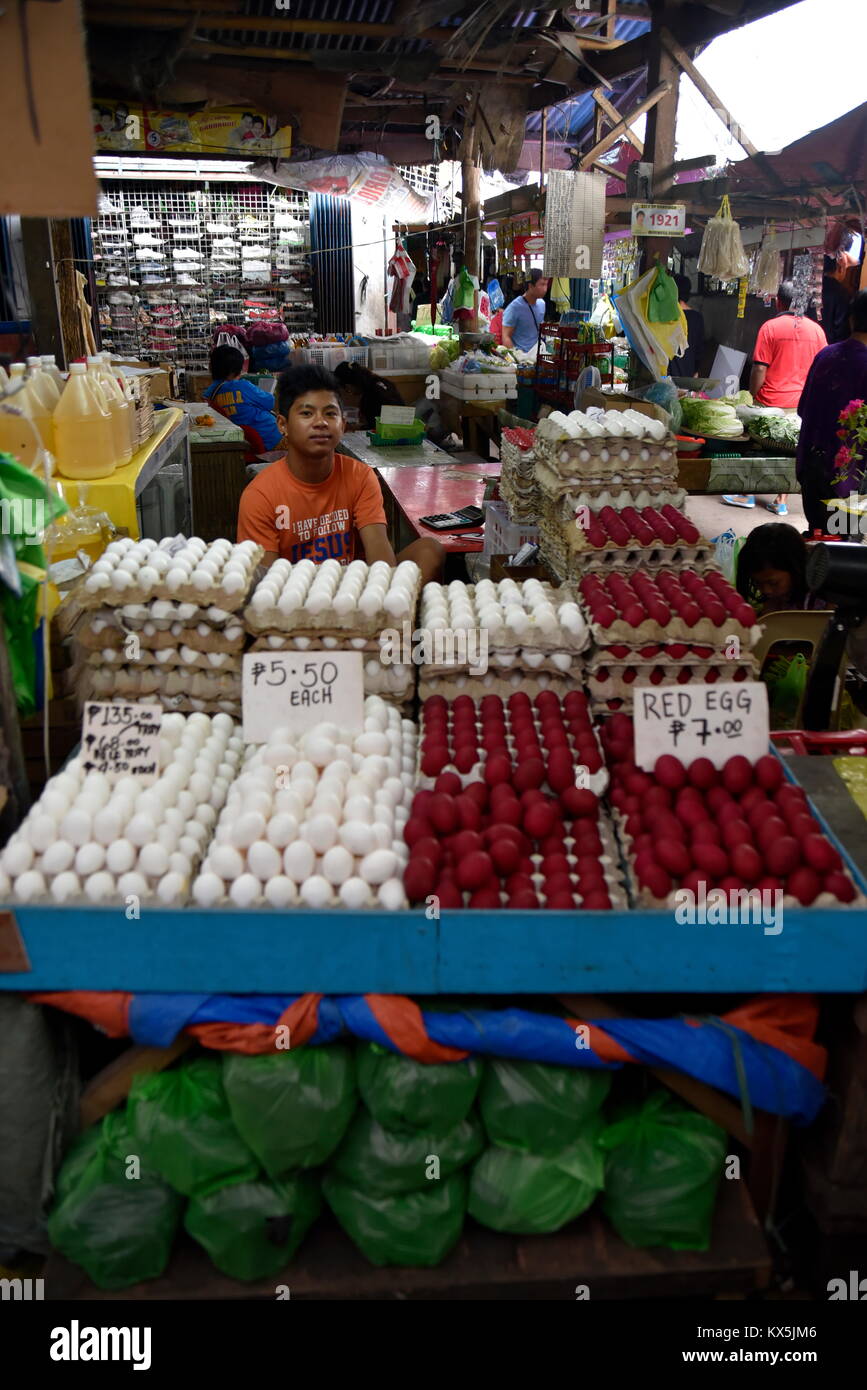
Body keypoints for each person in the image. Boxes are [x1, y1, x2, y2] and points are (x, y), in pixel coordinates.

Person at [237, 363, 444, 580]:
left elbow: (380, 558)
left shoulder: (359, 476)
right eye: (307, 413)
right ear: (283, 425)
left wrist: (379, 592)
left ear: (343, 425)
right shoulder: (260, 495)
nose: (321, 423)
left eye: (330, 413)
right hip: (295, 600)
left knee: (429, 551)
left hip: (355, 590)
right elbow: (267, 585)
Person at [724, 281, 827, 516]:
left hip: (770, 400)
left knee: (756, 447)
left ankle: (747, 493)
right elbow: (821, 369)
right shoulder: (817, 331)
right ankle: (780, 500)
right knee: (791, 450)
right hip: (800, 405)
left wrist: (752, 394)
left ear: (779, 301)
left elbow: (759, 369)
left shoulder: (770, 327)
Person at [796, 289, 867, 534]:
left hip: (812, 472)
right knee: (844, 552)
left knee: (819, 539)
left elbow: (803, 409)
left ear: (851, 319)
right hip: (848, 486)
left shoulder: (825, 355)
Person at [735, 522, 829, 615]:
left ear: (795, 569)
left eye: (773, 583)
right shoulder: (776, 598)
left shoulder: (824, 596)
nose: (765, 590)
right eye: (757, 583)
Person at [203, 344, 282, 452]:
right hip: (271, 437)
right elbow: (270, 402)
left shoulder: (209, 394)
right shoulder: (243, 386)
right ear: (235, 371)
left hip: (244, 440)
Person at [332, 361, 404, 431]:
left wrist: (351, 427)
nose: (350, 393)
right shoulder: (382, 382)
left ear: (349, 386)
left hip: (391, 435)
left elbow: (373, 427)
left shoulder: (371, 395)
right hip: (402, 429)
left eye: (347, 390)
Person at [501, 269, 549, 352]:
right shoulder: (514, 308)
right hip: (521, 359)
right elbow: (505, 337)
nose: (545, 289)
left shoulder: (542, 304)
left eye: (546, 285)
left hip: (536, 356)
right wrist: (517, 357)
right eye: (542, 285)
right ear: (530, 286)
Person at [668, 273, 705, 379]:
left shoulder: (666, 317)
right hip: (688, 373)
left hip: (667, 375)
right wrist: (696, 371)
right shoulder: (697, 318)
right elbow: (700, 350)